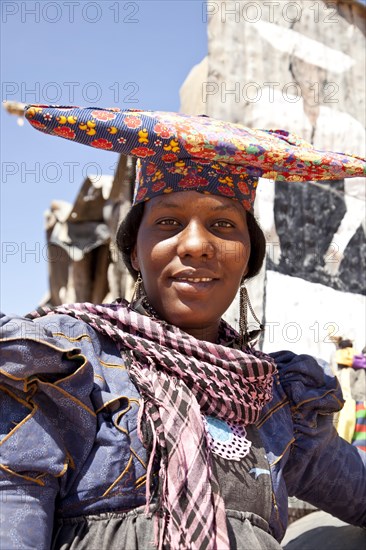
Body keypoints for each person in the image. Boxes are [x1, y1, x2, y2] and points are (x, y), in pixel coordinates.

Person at [1, 106, 366, 550]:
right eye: (169, 223)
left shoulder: (276, 401)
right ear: (135, 252)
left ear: (248, 257)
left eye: (223, 224)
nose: (196, 244)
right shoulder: (69, 371)